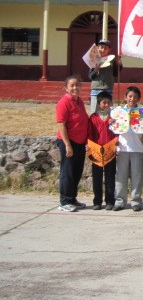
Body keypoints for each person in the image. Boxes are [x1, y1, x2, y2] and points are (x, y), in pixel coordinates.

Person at [55, 75, 89, 212]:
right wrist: (67, 145)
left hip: (80, 142)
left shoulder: (79, 101)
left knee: (77, 171)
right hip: (68, 142)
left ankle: (72, 198)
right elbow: (61, 125)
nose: (75, 88)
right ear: (66, 88)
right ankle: (64, 201)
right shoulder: (64, 103)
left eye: (77, 85)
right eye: (72, 85)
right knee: (67, 172)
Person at [114, 86, 143, 212]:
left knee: (136, 176)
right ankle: (120, 200)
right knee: (120, 176)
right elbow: (114, 128)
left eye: (135, 97)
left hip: (137, 147)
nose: (132, 99)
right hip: (122, 147)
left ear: (138, 99)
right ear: (125, 97)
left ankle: (136, 200)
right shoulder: (118, 111)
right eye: (130, 96)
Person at [87, 91, 117, 210]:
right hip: (96, 150)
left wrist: (116, 142)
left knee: (110, 176)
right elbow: (90, 133)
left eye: (109, 103)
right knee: (97, 177)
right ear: (99, 103)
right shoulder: (93, 117)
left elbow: (118, 132)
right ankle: (97, 201)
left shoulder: (114, 117)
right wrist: (88, 144)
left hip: (110, 149)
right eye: (104, 102)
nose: (106, 105)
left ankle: (110, 201)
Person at [88, 39, 121, 113]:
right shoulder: (93, 59)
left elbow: (116, 73)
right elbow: (90, 76)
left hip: (108, 89)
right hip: (96, 90)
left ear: (109, 50)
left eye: (105, 48)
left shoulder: (112, 60)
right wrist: (95, 70)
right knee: (94, 112)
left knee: (108, 112)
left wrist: (119, 65)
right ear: (98, 48)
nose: (103, 50)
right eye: (101, 47)